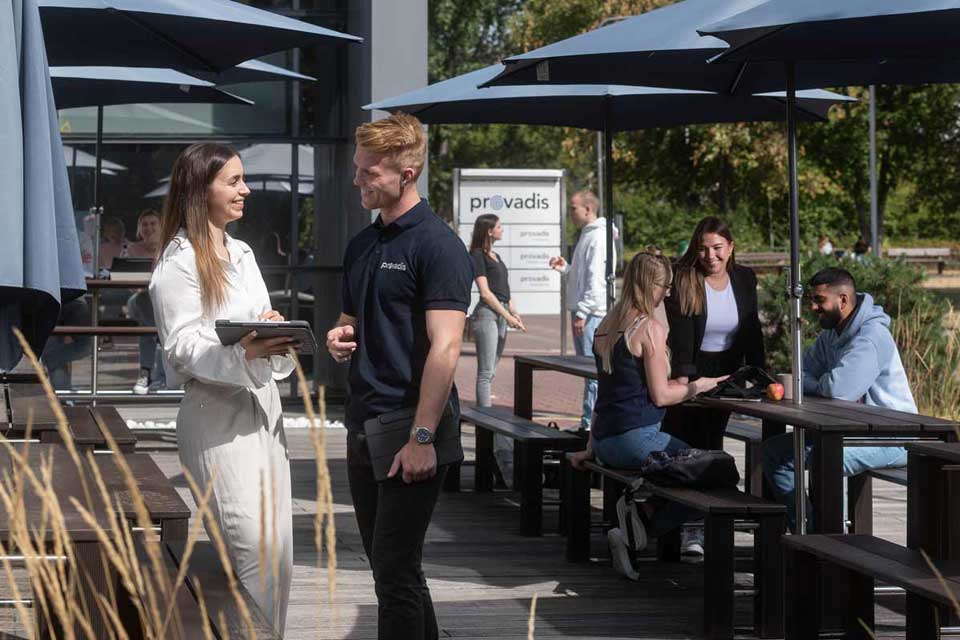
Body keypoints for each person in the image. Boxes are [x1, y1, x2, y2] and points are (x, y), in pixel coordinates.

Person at [326, 112, 473, 640]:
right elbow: (351, 321)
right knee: (393, 567)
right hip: (362, 424)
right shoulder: (363, 244)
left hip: (412, 429)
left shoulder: (438, 246)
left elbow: (447, 346)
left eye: (370, 173)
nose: (359, 180)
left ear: (407, 173)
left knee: (392, 569)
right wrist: (340, 337)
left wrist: (422, 438)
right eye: (358, 169)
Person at [150, 143, 296, 633]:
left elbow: (254, 321)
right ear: (200, 189)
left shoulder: (242, 251)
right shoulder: (178, 262)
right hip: (216, 422)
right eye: (233, 181)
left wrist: (273, 328)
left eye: (243, 179)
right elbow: (182, 347)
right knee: (251, 555)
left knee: (277, 560)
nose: (245, 189)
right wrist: (246, 352)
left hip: (264, 415)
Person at [568, 252, 725, 577]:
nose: (668, 293)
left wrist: (590, 446)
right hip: (637, 438)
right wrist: (700, 386)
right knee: (718, 471)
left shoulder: (605, 327)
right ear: (649, 285)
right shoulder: (648, 328)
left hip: (606, 442)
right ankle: (639, 528)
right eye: (665, 286)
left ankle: (641, 514)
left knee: (687, 470)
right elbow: (662, 396)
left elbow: (606, 396)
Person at [762, 267, 915, 532]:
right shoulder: (832, 334)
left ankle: (832, 541)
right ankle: (810, 532)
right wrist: (816, 382)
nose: (812, 307)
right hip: (850, 431)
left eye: (819, 300)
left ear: (843, 300)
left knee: (828, 458)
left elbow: (838, 389)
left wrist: (815, 383)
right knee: (773, 452)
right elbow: (801, 371)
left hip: (892, 435)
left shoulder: (871, 337)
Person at [663, 216, 765, 558]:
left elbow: (752, 330)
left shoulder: (744, 278)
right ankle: (687, 526)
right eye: (703, 248)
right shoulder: (684, 278)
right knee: (689, 447)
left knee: (712, 444)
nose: (710, 256)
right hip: (691, 370)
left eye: (717, 248)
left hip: (728, 372)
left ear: (731, 247)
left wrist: (759, 373)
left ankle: (708, 522)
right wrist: (687, 379)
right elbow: (681, 336)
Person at [549, 190, 617, 430]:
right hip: (587, 311)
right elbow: (585, 276)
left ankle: (590, 424)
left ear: (588, 209)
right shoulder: (589, 235)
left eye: (574, 207)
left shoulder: (598, 237)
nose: (571, 213)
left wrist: (583, 312)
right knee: (588, 370)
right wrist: (567, 269)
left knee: (591, 371)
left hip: (591, 315)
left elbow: (596, 279)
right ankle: (589, 421)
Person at [469, 213, 525, 486]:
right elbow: (486, 293)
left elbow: (506, 290)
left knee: (491, 371)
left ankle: (486, 413)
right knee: (485, 370)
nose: (503, 230)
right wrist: (506, 314)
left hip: (501, 315)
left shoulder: (497, 257)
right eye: (499, 226)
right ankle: (485, 415)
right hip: (487, 315)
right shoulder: (477, 255)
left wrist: (514, 312)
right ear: (489, 231)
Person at [126, 210, 165, 394]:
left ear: (161, 226)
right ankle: (160, 340)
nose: (148, 228)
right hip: (138, 301)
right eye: (144, 224)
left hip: (164, 303)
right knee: (143, 300)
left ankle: (146, 372)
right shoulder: (131, 249)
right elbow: (125, 280)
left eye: (152, 224)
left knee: (149, 321)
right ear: (139, 229)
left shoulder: (170, 246)